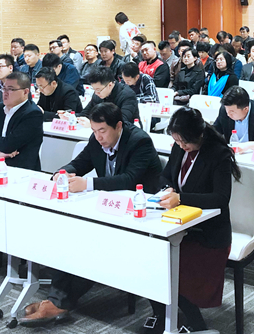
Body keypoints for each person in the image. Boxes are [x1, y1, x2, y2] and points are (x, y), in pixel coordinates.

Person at [19, 102, 162, 328]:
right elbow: (80, 163)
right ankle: (56, 300)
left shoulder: (139, 141)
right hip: (110, 210)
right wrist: (61, 173)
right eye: (94, 131)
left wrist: (87, 184)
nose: (98, 137)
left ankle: (58, 302)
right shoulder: (96, 140)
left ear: (118, 126)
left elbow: (129, 179)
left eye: (102, 131)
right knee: (68, 232)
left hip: (142, 216)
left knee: (89, 242)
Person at [144, 107, 241, 333]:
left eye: (184, 142)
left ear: (199, 135)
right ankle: (161, 314)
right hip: (176, 225)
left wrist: (180, 198)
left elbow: (220, 199)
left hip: (208, 234)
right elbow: (165, 175)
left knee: (171, 269)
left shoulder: (218, 154)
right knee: (149, 259)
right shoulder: (179, 148)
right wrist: (167, 188)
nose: (181, 146)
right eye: (177, 141)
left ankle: (196, 323)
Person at [0, 72, 43, 171]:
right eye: (4, 88)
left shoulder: (33, 113)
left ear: (25, 92)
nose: (5, 93)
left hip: (18, 168)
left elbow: (8, 145)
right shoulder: (0, 108)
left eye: (11, 89)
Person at [213, 85, 254, 152]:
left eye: (232, 112)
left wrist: (248, 146)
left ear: (246, 109)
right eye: (226, 110)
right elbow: (214, 133)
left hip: (253, 154)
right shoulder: (225, 110)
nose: (228, 114)